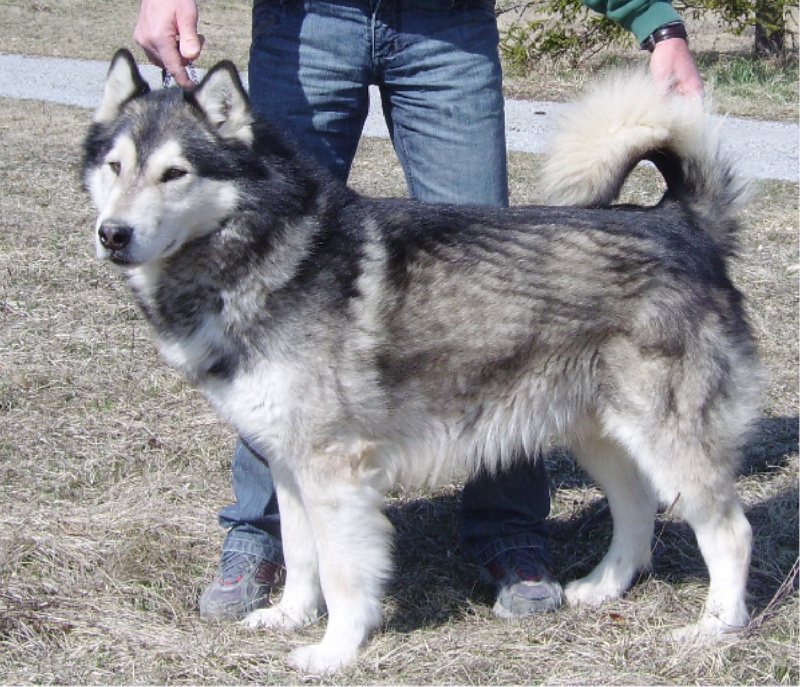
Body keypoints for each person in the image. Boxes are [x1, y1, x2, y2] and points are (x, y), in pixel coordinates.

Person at [133, 0, 703, 623]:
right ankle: (261, 532)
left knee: (502, 301)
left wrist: (654, 21)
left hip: (446, 28)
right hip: (305, 23)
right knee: (270, 305)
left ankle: (508, 529)